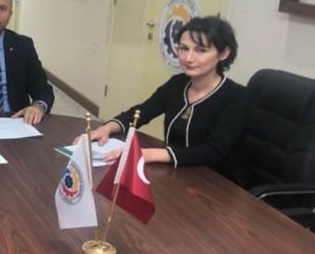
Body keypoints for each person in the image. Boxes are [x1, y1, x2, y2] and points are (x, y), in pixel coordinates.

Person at [90, 16, 248, 168]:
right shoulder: (178, 83)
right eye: (184, 48)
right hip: (173, 169)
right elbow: (142, 112)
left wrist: (147, 154)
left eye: (201, 50)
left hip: (213, 179)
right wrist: (107, 128)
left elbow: (213, 152)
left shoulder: (236, 96)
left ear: (224, 53)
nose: (188, 58)